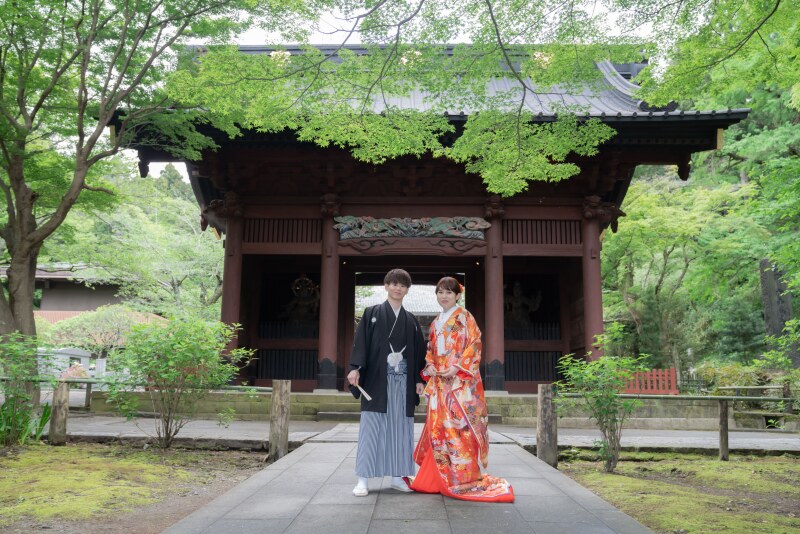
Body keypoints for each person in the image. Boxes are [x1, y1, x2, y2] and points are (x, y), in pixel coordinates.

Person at [410, 276, 514, 502]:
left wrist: (456, 368)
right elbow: (430, 349)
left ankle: (462, 479)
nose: (444, 296)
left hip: (460, 385)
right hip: (439, 384)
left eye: (449, 292)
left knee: (459, 429)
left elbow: (475, 345)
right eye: (440, 292)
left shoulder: (466, 318)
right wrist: (429, 364)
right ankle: (438, 478)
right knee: (438, 429)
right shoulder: (436, 322)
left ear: (458, 295)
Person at [347, 268, 426, 497]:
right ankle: (363, 479)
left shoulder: (410, 320)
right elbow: (360, 343)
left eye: (402, 285)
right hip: (376, 381)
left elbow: (419, 352)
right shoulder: (371, 313)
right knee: (372, 428)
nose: (397, 288)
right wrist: (355, 368)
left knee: (400, 429)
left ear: (407, 290)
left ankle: (397, 476)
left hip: (402, 381)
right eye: (394, 284)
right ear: (386, 286)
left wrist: (419, 379)